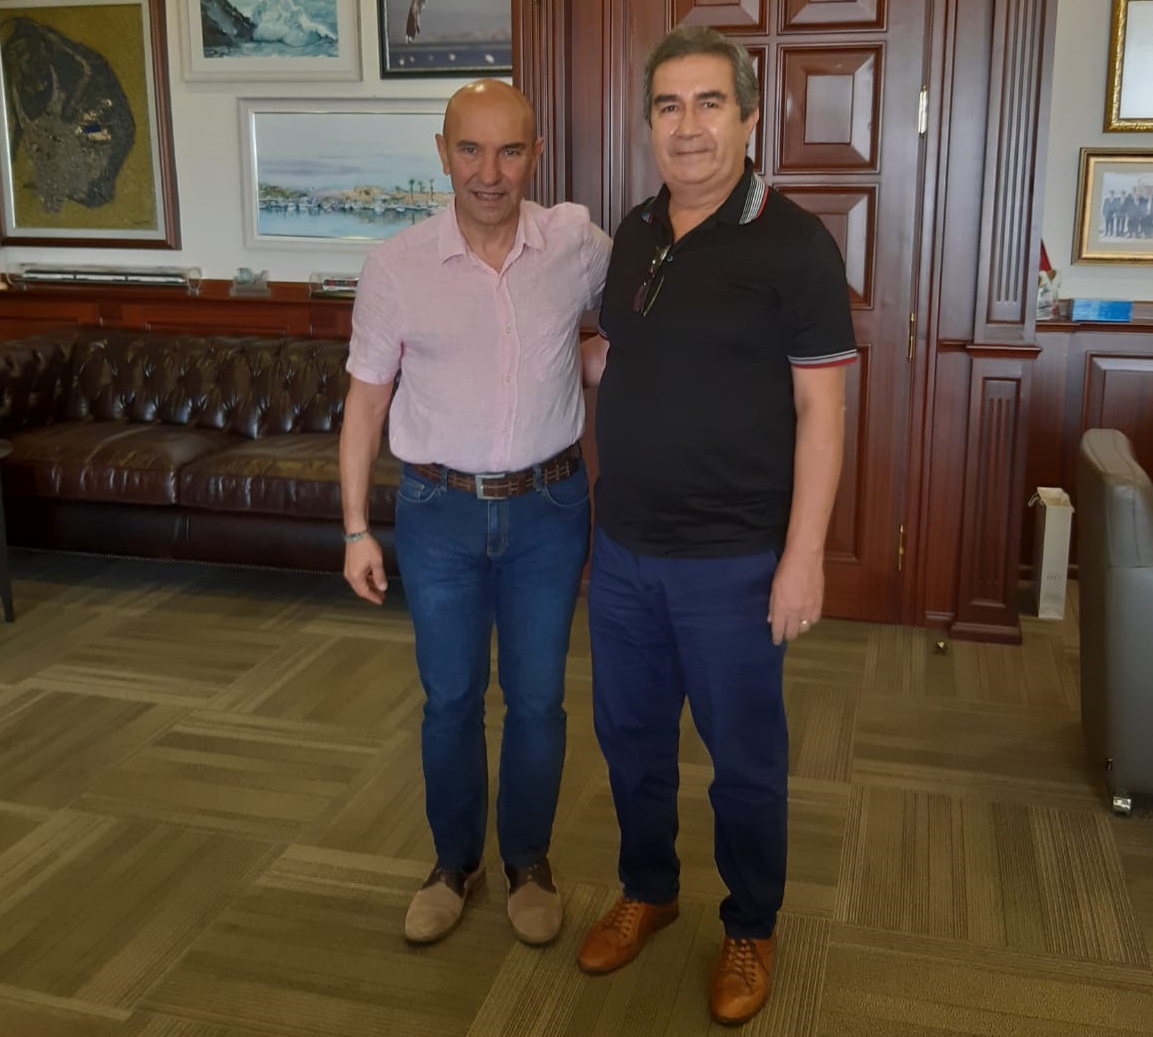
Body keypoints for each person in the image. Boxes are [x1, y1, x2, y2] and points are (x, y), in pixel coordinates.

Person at [575, 26, 857, 1026]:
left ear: (748, 118)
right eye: (667, 105)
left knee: (742, 761)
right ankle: (648, 888)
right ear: (648, 121)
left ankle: (751, 922)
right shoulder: (638, 227)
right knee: (631, 741)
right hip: (622, 549)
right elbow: (624, 352)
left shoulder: (795, 244)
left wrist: (802, 557)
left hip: (733, 561)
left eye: (707, 103)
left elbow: (821, 411)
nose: (686, 126)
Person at [340, 79, 612, 948]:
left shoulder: (575, 245)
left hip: (548, 508)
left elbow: (643, 317)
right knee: (450, 699)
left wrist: (591, 358)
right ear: (442, 152)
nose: (489, 172)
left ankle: (528, 861)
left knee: (536, 700)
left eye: (509, 150)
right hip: (438, 512)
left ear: (535, 154)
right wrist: (355, 528)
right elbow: (365, 404)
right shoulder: (396, 267)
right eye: (469, 149)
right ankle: (453, 863)